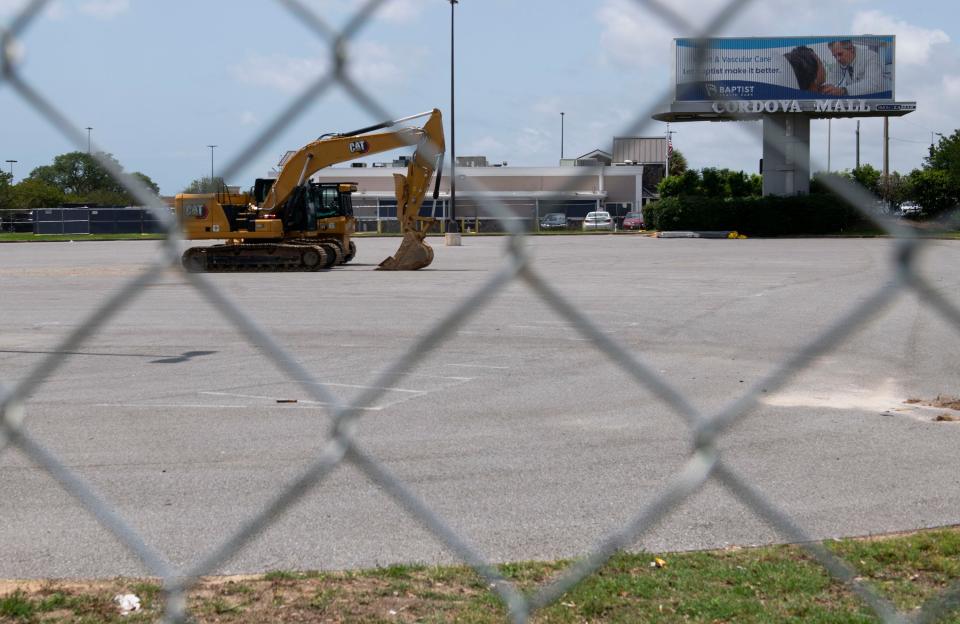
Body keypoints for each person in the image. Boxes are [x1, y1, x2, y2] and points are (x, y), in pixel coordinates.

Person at [820, 40, 884, 97]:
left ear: (851, 49)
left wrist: (844, 90)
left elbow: (873, 83)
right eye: (835, 56)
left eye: (840, 54)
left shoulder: (870, 56)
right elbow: (831, 80)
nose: (838, 59)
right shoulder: (839, 64)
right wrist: (826, 88)